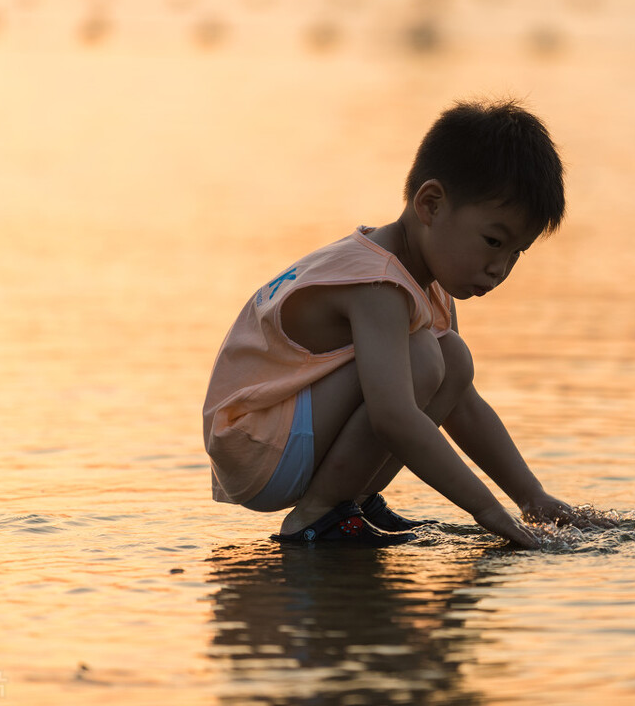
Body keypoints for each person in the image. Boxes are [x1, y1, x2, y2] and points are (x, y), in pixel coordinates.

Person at [202, 98, 582, 549]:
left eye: (516, 252)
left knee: (452, 360)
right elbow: (393, 417)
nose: (500, 268)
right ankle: (319, 515)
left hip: (285, 434)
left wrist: (531, 498)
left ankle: (354, 500)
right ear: (431, 204)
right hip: (256, 444)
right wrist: (487, 512)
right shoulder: (380, 284)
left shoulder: (424, 278)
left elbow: (462, 404)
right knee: (423, 357)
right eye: (493, 241)